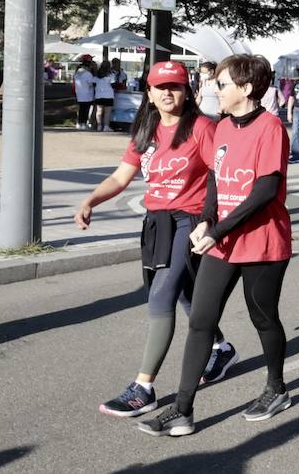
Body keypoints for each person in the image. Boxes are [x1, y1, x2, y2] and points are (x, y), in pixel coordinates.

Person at [138, 54, 293, 436]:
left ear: (244, 88)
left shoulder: (271, 127)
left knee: (263, 317)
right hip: (222, 240)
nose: (213, 90)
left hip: (262, 241)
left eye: (221, 84)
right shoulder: (222, 127)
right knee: (202, 321)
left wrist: (217, 230)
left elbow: (265, 190)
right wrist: (207, 218)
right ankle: (183, 409)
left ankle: (276, 387)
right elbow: (215, 180)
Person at [75, 61, 236, 418]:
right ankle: (220, 347)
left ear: (187, 90)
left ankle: (144, 387)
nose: (168, 93)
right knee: (182, 292)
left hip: (190, 220)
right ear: (148, 93)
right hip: (157, 222)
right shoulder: (145, 131)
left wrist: (211, 222)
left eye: (175, 86)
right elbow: (121, 178)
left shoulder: (202, 128)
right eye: (160, 87)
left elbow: (219, 176)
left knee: (162, 293)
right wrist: (90, 201)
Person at [74, 56, 97, 129]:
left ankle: (79, 123)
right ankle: (83, 123)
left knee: (81, 109)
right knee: (86, 109)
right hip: (87, 94)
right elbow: (91, 83)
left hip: (79, 93)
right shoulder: (88, 74)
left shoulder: (77, 72)